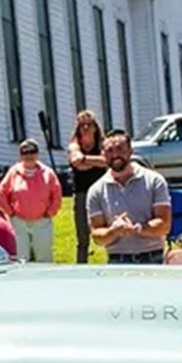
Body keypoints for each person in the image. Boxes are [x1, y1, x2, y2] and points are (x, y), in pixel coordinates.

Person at [83, 132, 172, 264]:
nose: (115, 155)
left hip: (153, 258)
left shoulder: (154, 181)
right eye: (109, 151)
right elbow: (97, 236)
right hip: (117, 260)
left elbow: (164, 225)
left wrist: (137, 229)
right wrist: (114, 231)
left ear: (130, 151)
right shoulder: (96, 191)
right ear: (103, 154)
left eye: (120, 149)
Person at [0, 138, 62, 262]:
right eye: (25, 153)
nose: (29, 156)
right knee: (20, 257)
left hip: (42, 221)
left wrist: (50, 212)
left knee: (45, 257)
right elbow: (1, 193)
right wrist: (11, 213)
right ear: (20, 155)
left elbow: (57, 194)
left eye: (32, 152)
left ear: (37, 154)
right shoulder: (13, 172)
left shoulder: (48, 173)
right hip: (19, 222)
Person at [65, 110, 106, 264]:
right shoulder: (74, 145)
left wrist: (85, 159)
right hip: (81, 194)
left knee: (109, 233)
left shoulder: (102, 143)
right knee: (82, 238)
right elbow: (76, 162)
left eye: (89, 124)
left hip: (102, 193)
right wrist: (94, 161)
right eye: (82, 125)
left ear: (96, 127)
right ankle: (81, 266)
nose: (86, 128)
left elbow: (106, 161)